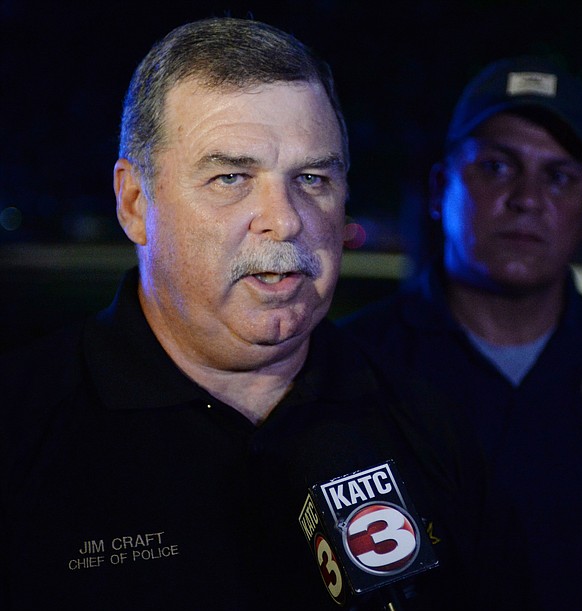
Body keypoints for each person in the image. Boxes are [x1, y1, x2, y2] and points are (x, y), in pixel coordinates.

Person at [0, 18, 484, 610]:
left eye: (312, 178)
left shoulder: (431, 420)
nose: (283, 219)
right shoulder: (22, 428)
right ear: (134, 203)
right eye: (231, 177)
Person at [341, 56, 582, 609]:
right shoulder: (347, 371)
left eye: (558, 176)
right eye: (498, 167)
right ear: (440, 188)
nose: (527, 198)